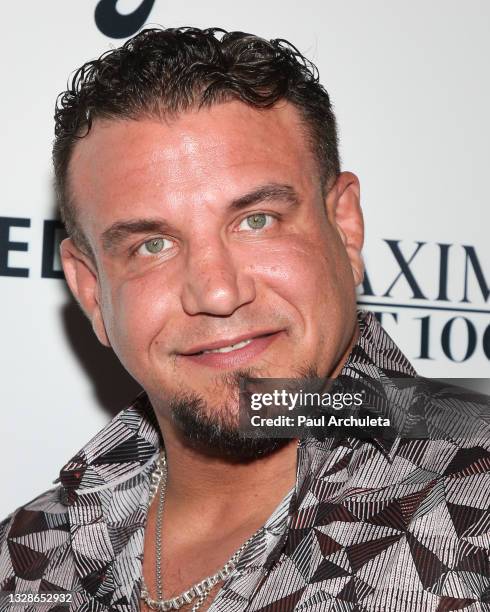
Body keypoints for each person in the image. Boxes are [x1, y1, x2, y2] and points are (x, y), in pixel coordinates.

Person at [1, 26, 489, 612]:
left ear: (346, 225)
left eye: (256, 220)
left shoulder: (475, 508)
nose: (216, 292)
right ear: (88, 288)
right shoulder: (24, 554)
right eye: (152, 245)